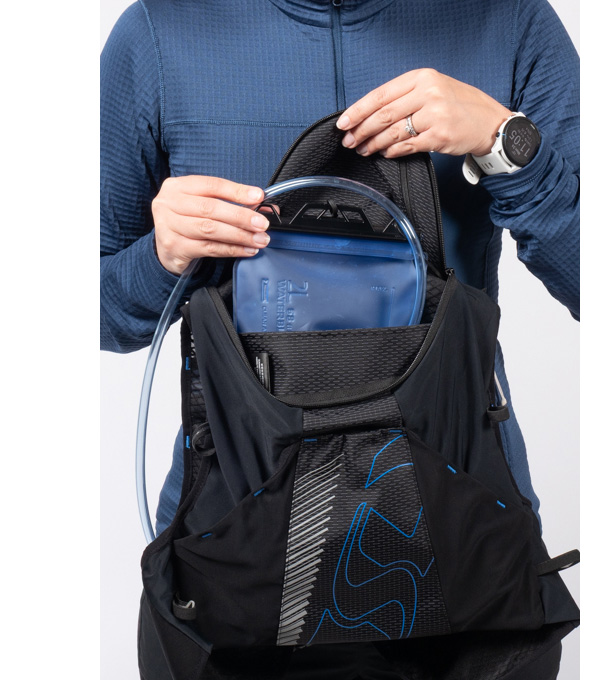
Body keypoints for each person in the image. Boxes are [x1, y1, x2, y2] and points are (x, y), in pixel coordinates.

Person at [101, 1, 579, 678]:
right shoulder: (158, 34)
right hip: (230, 539)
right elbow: (94, 313)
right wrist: (161, 255)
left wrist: (506, 144)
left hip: (463, 523)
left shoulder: (512, 22)